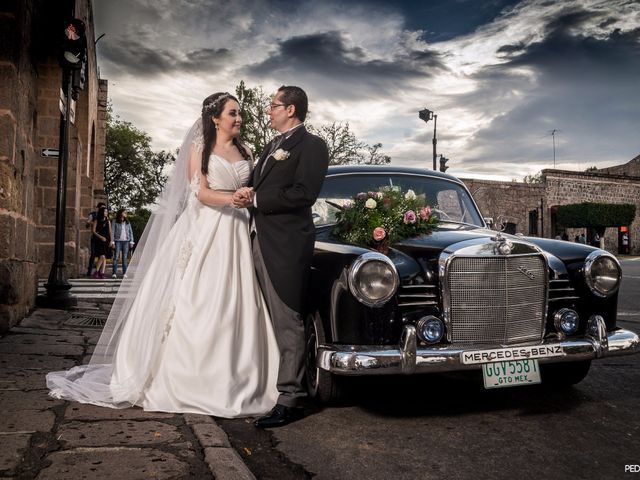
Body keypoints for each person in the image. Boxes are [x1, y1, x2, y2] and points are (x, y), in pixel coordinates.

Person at [47, 92, 279, 418]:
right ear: (215, 118)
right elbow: (198, 192)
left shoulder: (247, 151)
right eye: (232, 113)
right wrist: (232, 200)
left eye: (239, 113)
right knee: (200, 298)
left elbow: (250, 185)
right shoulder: (200, 149)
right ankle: (189, 379)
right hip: (208, 229)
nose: (238, 119)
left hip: (238, 232)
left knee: (239, 300)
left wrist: (249, 194)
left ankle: (242, 377)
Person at [234, 85, 329, 428]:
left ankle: (291, 398)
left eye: (273, 105)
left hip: (287, 246)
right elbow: (268, 187)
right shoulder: (270, 146)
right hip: (259, 241)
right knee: (261, 317)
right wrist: (250, 193)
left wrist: (257, 201)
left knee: (288, 318)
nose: (268, 111)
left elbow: (304, 194)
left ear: (291, 110)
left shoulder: (312, 145)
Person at [111, 209, 135, 278]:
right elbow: (112, 232)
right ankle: (114, 273)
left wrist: (131, 241)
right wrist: (112, 242)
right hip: (117, 241)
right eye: (124, 212)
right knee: (116, 257)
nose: (126, 213)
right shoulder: (115, 221)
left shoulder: (127, 222)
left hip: (126, 241)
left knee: (124, 258)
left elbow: (131, 232)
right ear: (121, 213)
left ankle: (124, 273)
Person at [91, 206, 112, 279]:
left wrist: (111, 241)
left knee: (104, 257)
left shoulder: (108, 221)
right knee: (102, 256)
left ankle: (102, 273)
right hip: (98, 240)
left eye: (107, 212)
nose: (106, 213)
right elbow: (93, 231)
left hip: (106, 240)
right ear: (102, 212)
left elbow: (110, 232)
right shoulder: (96, 220)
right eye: (105, 211)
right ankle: (96, 272)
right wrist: (101, 237)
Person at [86, 202, 106, 276]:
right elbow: (87, 223)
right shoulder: (93, 215)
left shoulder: (105, 215)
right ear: (98, 208)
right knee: (93, 254)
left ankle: (100, 272)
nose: (103, 210)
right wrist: (94, 223)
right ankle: (89, 271)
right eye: (102, 208)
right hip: (94, 238)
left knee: (102, 255)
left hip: (102, 238)